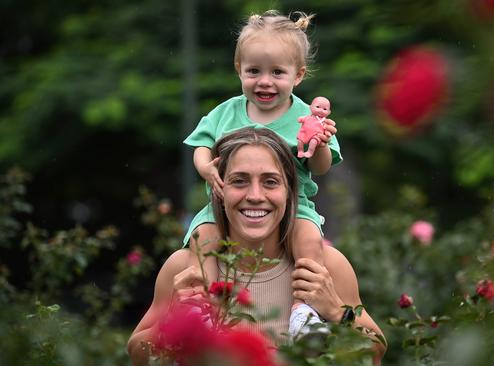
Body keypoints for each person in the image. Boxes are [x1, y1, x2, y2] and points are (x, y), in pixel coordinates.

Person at [127, 128, 385, 365]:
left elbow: (374, 353)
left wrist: (338, 312)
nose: (255, 196)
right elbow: (137, 354)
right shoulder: (185, 267)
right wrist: (172, 322)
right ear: (219, 188)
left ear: (289, 191)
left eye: (270, 182)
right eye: (239, 181)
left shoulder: (328, 265)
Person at [183, 10, 341, 338]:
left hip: (293, 207)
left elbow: (320, 168)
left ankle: (303, 312)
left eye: (277, 72)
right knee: (202, 239)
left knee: (310, 241)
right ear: (239, 69)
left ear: (298, 75)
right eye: (254, 71)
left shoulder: (306, 116)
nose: (264, 81)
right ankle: (206, 308)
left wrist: (321, 144)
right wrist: (205, 167)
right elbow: (201, 145)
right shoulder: (225, 112)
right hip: (226, 205)